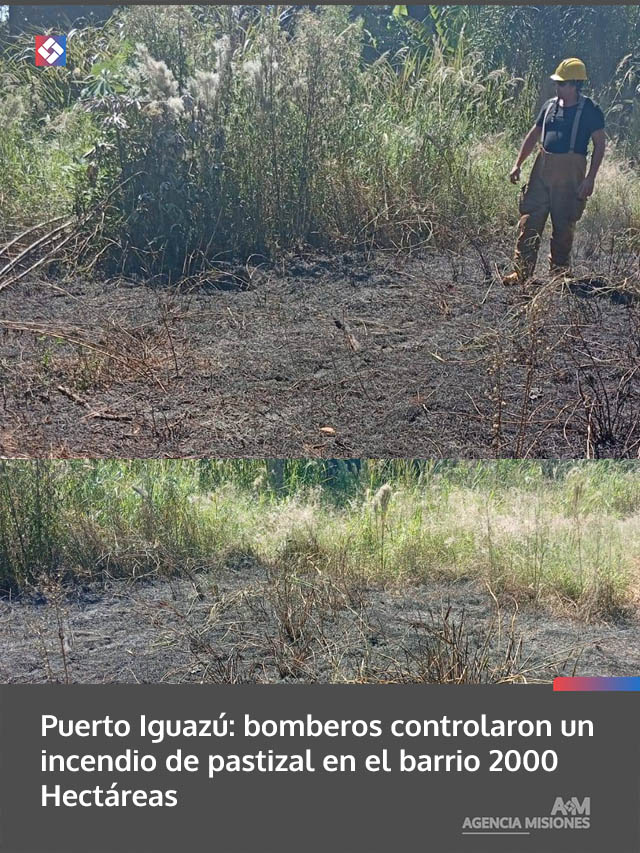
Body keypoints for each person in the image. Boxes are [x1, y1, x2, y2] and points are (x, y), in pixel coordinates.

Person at [503, 58, 606, 286]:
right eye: (557, 83)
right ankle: (521, 273)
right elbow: (534, 135)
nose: (557, 87)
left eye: (561, 84)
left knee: (564, 224)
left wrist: (590, 178)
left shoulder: (590, 110)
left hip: (571, 175)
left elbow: (600, 144)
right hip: (542, 172)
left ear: (574, 85)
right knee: (529, 222)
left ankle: (558, 276)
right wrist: (518, 163)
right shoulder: (549, 106)